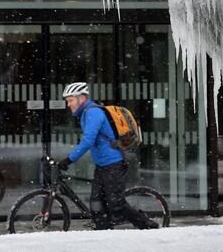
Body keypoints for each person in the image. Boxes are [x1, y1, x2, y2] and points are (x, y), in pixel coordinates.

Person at [57, 82, 158, 230]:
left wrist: (68, 160)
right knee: (96, 203)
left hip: (113, 164)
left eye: (71, 100)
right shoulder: (86, 114)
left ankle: (148, 224)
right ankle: (102, 232)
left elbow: (87, 141)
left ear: (82, 98)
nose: (68, 104)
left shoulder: (93, 113)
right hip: (102, 165)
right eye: (68, 101)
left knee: (116, 204)